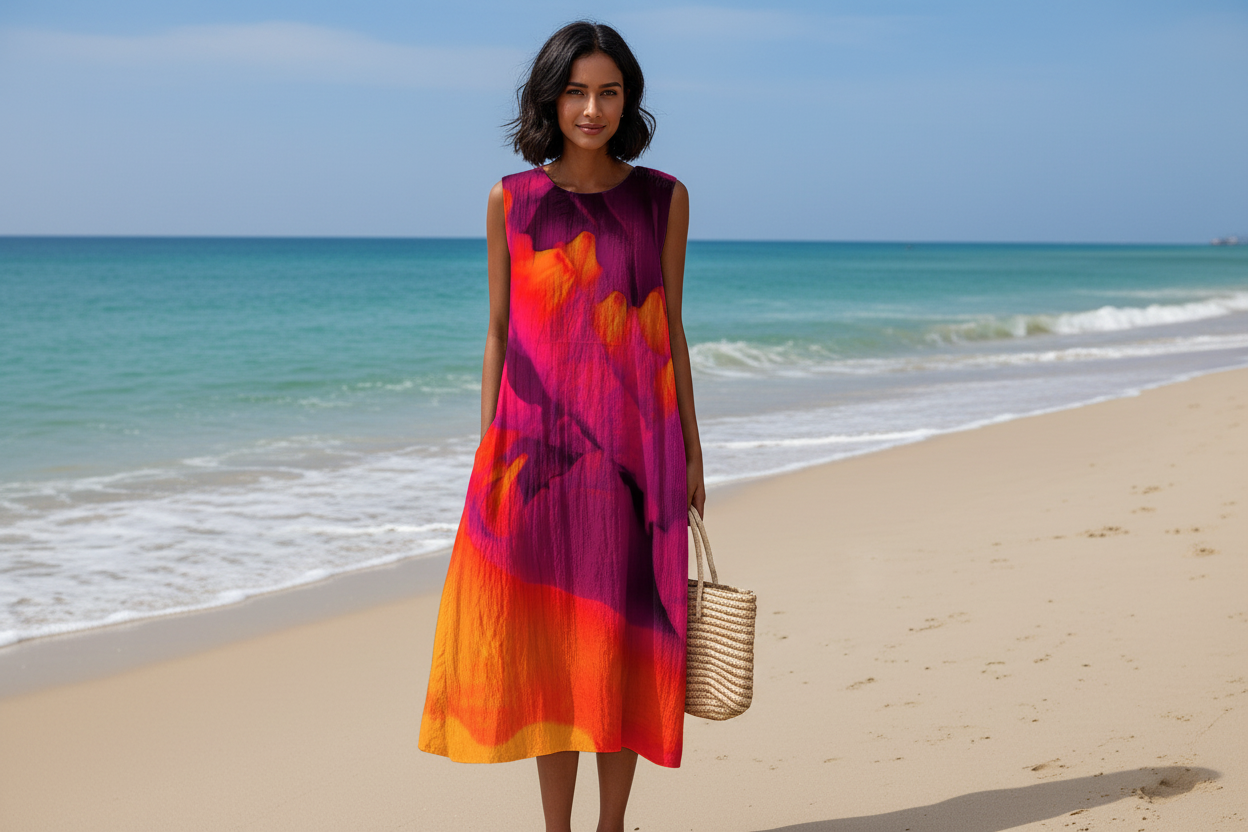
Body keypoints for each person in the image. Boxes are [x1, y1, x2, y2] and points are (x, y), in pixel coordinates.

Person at [418, 20, 705, 832]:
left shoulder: (663, 199)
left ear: (628, 100)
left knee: (620, 651)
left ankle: (612, 826)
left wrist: (692, 450)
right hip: (534, 458)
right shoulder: (512, 201)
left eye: (608, 92)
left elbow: (669, 329)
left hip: (636, 459)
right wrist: (489, 453)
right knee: (550, 657)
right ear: (550, 97)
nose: (592, 108)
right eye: (577, 91)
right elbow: (500, 333)